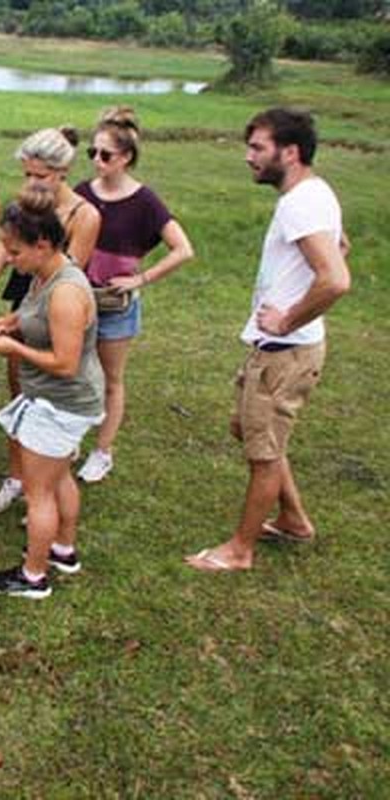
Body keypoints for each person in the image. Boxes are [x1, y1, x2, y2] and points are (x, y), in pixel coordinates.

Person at [185, 108, 349, 572]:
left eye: (257, 147)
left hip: (285, 351)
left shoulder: (300, 201)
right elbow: (340, 249)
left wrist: (288, 319)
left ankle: (240, 550)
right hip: (280, 348)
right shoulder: (316, 192)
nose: (247, 157)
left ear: (289, 152)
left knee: (263, 451)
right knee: (250, 429)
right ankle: (294, 520)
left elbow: (336, 278)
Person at [0, 127, 102, 515]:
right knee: (22, 393)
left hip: (56, 310)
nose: (32, 184)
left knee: (54, 398)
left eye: (41, 176)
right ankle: (19, 476)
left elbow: (66, 280)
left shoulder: (83, 216)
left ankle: (47, 485)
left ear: (63, 171)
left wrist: (21, 326)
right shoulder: (25, 205)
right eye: (27, 174)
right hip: (27, 300)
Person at [0, 190, 104, 599]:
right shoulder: (45, 273)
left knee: (39, 493)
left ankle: (33, 577)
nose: (7, 257)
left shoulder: (67, 292)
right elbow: (35, 314)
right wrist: (12, 322)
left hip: (60, 404)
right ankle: (63, 551)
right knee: (60, 475)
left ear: (43, 244)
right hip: (62, 402)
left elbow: (65, 362)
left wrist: (14, 349)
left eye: (14, 251)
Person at [73, 107, 194, 483]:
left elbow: (183, 249)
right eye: (92, 153)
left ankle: (102, 451)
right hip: (79, 300)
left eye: (105, 155)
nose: (97, 161)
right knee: (75, 371)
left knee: (111, 379)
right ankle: (72, 437)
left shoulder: (145, 201)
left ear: (126, 157)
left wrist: (140, 279)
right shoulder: (81, 192)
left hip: (116, 307)